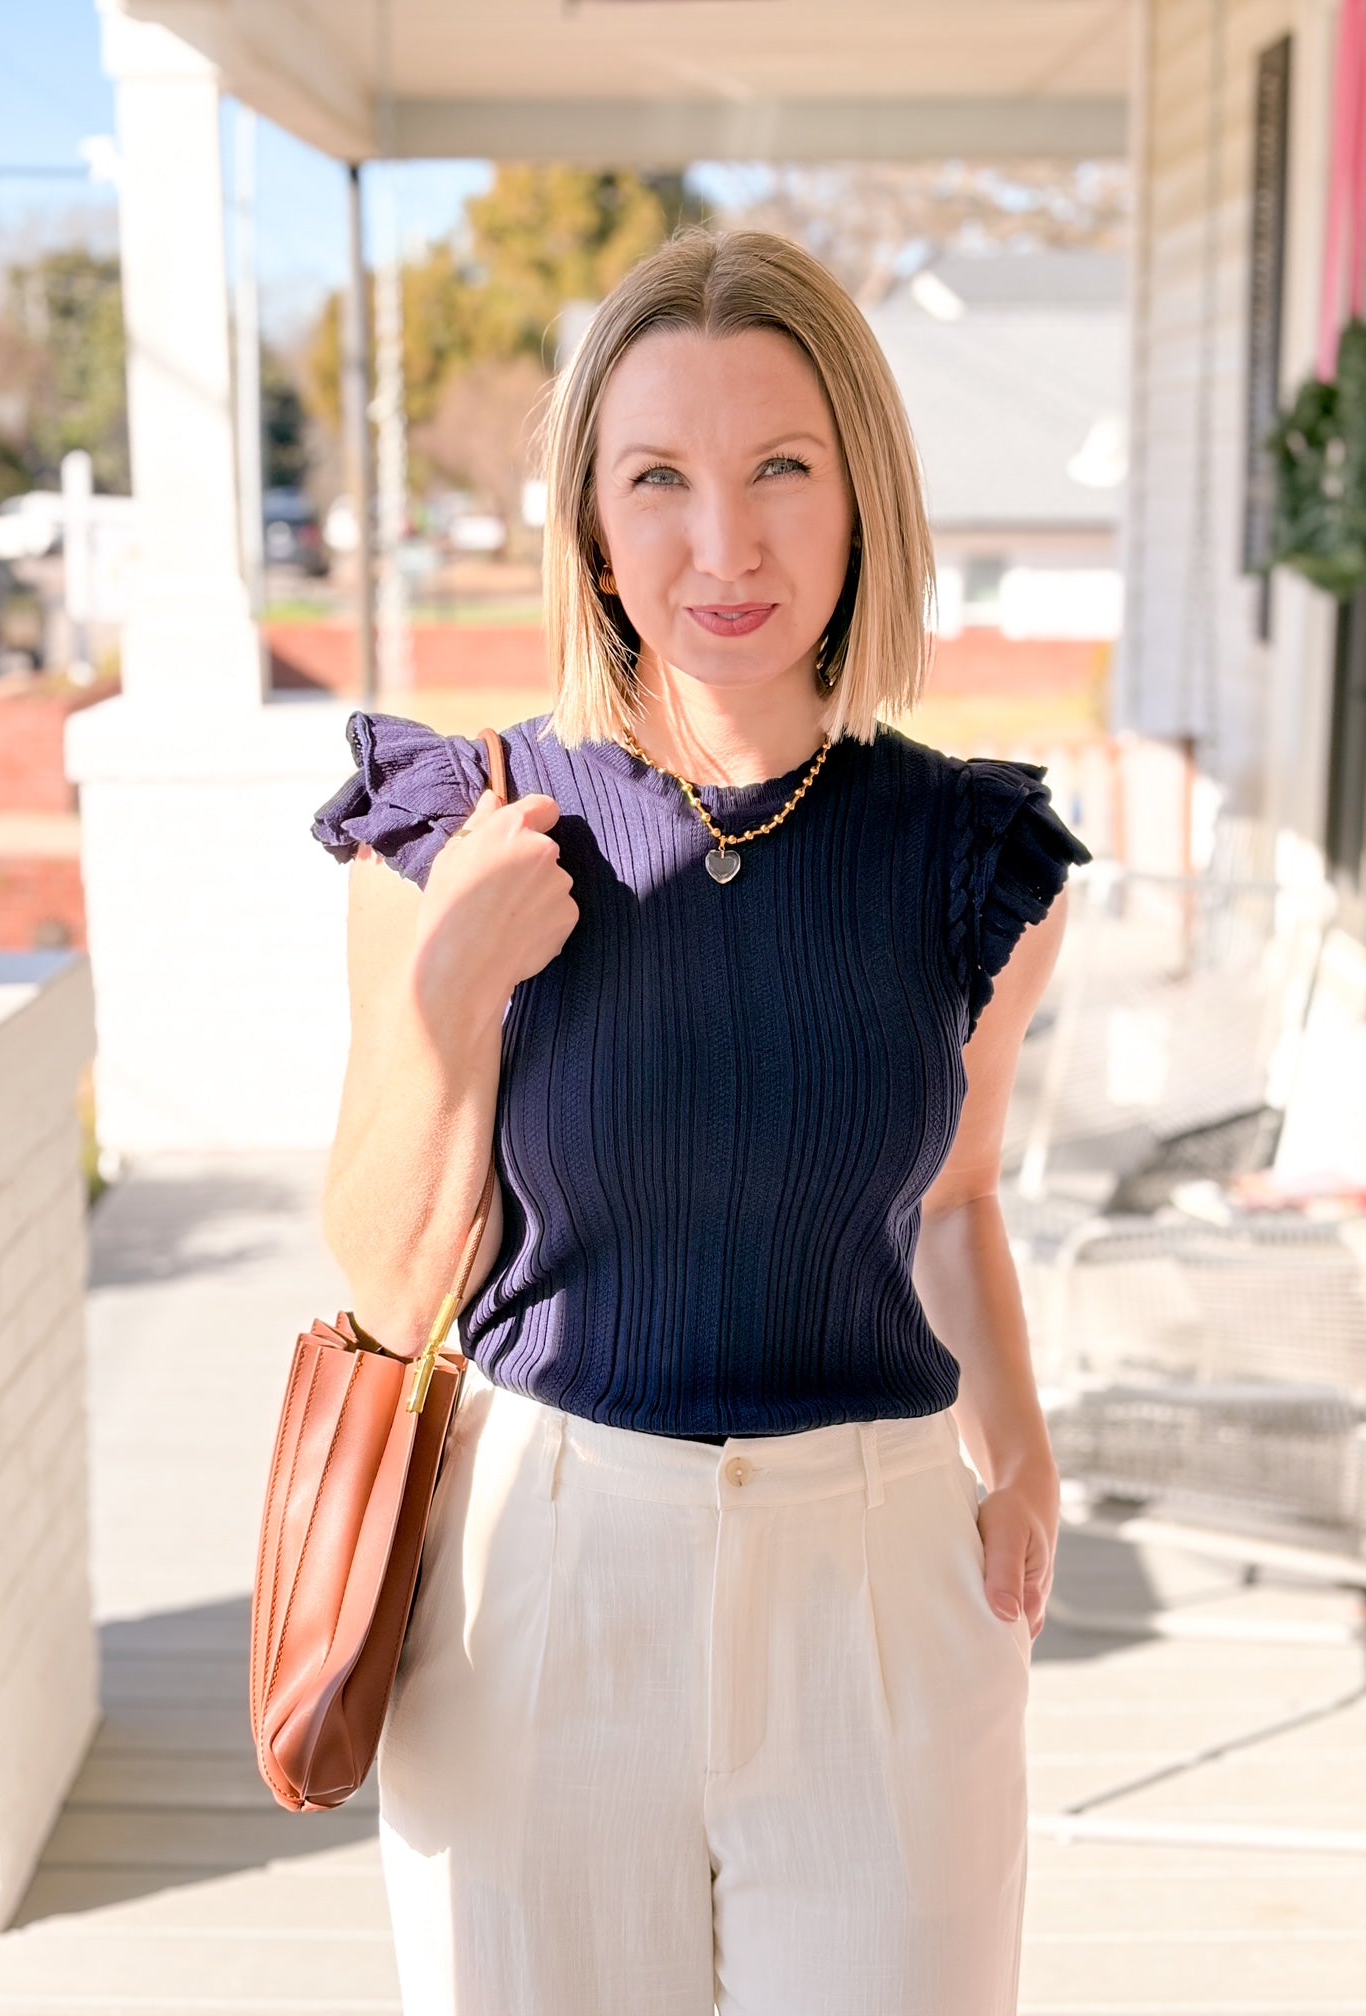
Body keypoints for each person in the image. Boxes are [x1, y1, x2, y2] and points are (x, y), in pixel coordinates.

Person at [308, 225, 1092, 2016]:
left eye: (781, 469)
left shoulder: (973, 860)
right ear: (590, 520)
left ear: (864, 495)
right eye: (657, 477)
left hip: (883, 1588)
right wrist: (452, 989)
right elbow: (381, 1276)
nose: (723, 545)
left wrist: (1027, 1459)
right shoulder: (458, 827)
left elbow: (958, 1197)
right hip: (541, 1579)